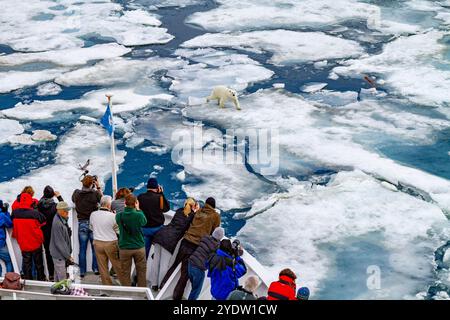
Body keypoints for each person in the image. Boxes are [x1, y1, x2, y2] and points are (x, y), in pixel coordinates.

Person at [160, 197, 221, 300]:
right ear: (214, 207)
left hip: (185, 241)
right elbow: (214, 232)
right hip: (195, 246)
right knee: (184, 274)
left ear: (205, 204)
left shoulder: (199, 211)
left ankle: (163, 284)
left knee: (175, 264)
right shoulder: (215, 216)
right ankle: (177, 297)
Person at [150, 198, 198, 291]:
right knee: (164, 264)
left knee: (156, 262)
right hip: (170, 241)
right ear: (194, 206)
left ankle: (154, 284)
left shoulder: (179, 211)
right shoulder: (192, 216)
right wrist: (196, 211)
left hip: (161, 234)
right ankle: (161, 287)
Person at [90, 195, 127, 286]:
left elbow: (91, 228)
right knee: (118, 265)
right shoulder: (113, 216)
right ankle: (125, 285)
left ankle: (107, 287)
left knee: (103, 267)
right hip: (110, 244)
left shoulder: (93, 214)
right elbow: (118, 231)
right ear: (108, 205)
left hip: (97, 243)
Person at [11, 192, 46, 280]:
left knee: (27, 264)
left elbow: (11, 222)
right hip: (35, 242)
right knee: (38, 263)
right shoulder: (35, 213)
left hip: (23, 242)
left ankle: (28, 280)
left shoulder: (15, 213)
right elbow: (44, 221)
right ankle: (41, 279)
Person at [72, 175, 102, 277]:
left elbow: (73, 200)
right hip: (93, 223)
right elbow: (103, 201)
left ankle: (82, 271)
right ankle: (96, 268)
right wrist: (98, 187)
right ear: (91, 184)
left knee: (82, 249)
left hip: (82, 223)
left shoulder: (76, 193)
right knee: (95, 248)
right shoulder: (95, 193)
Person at [116, 194, 147, 287]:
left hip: (124, 247)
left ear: (125, 203)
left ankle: (128, 292)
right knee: (141, 271)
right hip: (139, 247)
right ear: (135, 203)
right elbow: (144, 222)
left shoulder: (119, 216)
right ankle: (142, 291)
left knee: (125, 272)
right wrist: (139, 209)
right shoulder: (139, 215)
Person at [187, 227, 224, 300]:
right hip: (199, 269)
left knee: (194, 287)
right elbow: (222, 253)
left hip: (190, 264)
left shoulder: (205, 238)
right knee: (196, 291)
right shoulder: (217, 246)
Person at [137, 178, 170, 258]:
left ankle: (143, 267)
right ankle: (156, 256)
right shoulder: (160, 198)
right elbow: (166, 209)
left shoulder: (140, 197)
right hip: (157, 229)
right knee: (159, 248)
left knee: (144, 253)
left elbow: (136, 210)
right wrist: (161, 193)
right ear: (157, 188)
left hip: (145, 229)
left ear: (147, 187)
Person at [37, 185, 64, 281]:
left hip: (44, 232)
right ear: (52, 195)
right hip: (54, 232)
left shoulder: (39, 205)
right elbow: (64, 207)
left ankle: (51, 275)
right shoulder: (54, 206)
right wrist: (59, 197)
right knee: (57, 253)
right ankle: (57, 274)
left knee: (48, 253)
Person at [49, 202, 73, 282]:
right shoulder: (58, 223)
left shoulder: (60, 218)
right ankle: (63, 291)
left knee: (57, 274)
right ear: (61, 211)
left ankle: (57, 290)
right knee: (62, 277)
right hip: (59, 255)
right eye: (66, 211)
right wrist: (68, 256)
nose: (68, 213)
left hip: (59, 253)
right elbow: (60, 243)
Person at [0, 200, 13, 274]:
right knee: (8, 260)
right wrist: (6, 212)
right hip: (0, 244)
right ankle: (9, 279)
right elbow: (10, 224)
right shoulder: (2, 215)